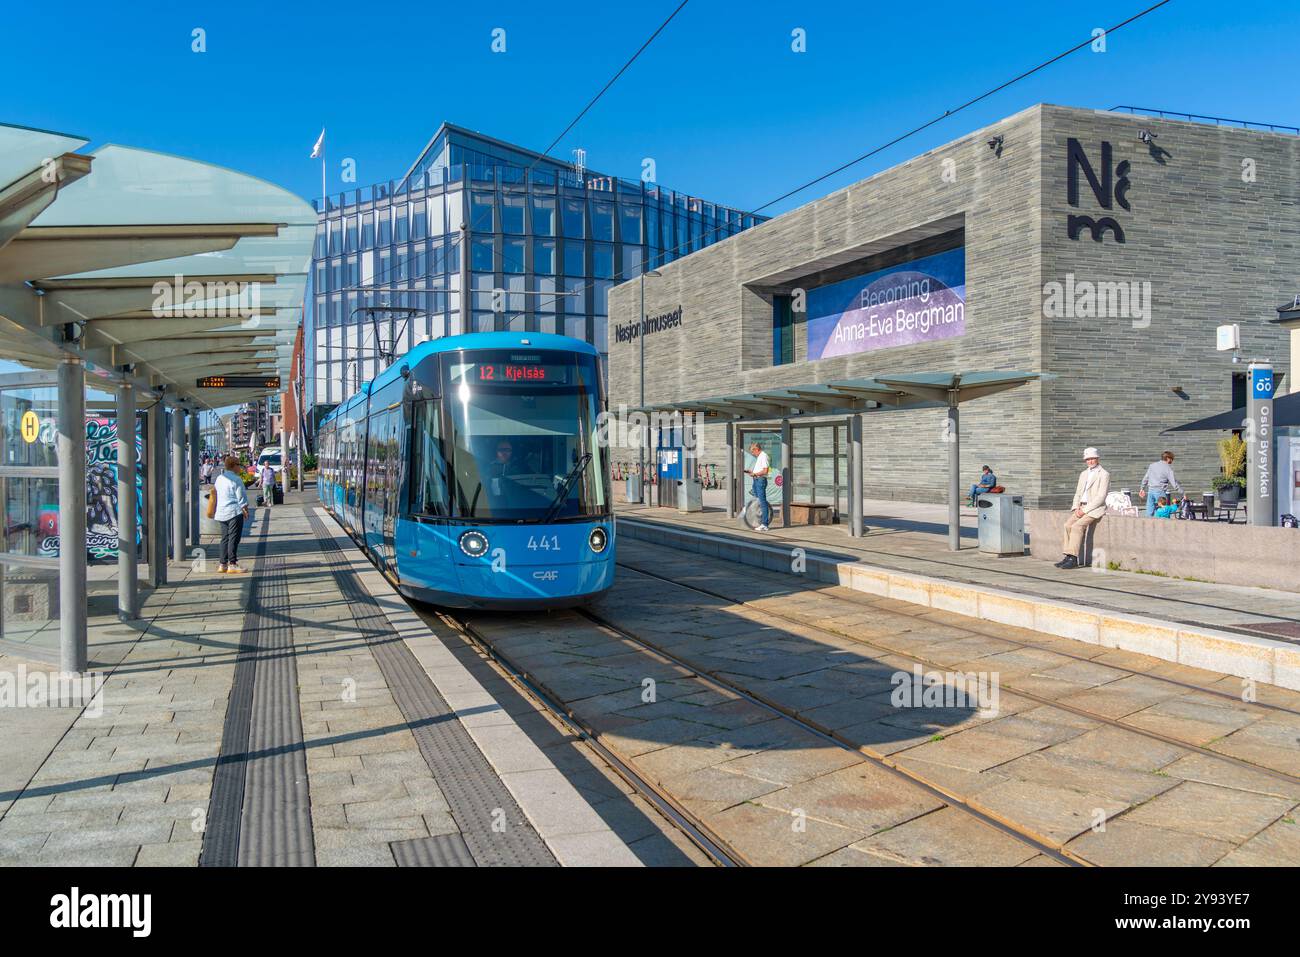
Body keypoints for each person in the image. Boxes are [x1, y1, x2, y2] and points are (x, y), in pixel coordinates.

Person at [1056, 447, 1110, 570]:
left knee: (1077, 527)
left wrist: (1084, 511)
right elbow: (1078, 492)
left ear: (1097, 458)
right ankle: (1068, 555)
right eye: (1088, 459)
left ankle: (1074, 558)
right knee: (1067, 525)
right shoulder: (1084, 473)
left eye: (1092, 458)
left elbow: (1101, 497)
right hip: (1081, 506)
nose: (1090, 461)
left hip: (1095, 508)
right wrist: (1076, 507)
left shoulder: (1104, 474)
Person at [213, 455, 250, 574]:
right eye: (239, 465)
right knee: (234, 538)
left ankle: (222, 564)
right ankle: (232, 564)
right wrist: (245, 509)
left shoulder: (219, 478)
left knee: (225, 538)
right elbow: (241, 497)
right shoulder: (236, 479)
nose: (240, 467)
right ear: (233, 466)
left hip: (221, 512)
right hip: (234, 512)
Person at [1138, 450, 1182, 518]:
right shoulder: (1168, 468)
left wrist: (1142, 488)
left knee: (1150, 511)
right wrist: (1183, 493)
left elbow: (1146, 478)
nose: (1172, 461)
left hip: (1150, 491)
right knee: (1164, 511)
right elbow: (1174, 484)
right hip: (1160, 491)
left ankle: (1148, 525)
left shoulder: (1152, 465)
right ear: (1168, 458)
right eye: (1171, 459)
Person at [746, 442, 772, 532]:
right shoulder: (760, 456)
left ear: (756, 449)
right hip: (756, 479)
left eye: (753, 452)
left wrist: (755, 473)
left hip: (760, 480)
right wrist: (752, 472)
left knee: (762, 501)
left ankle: (765, 524)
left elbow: (765, 470)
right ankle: (760, 521)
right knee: (758, 501)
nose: (753, 454)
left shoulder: (763, 456)